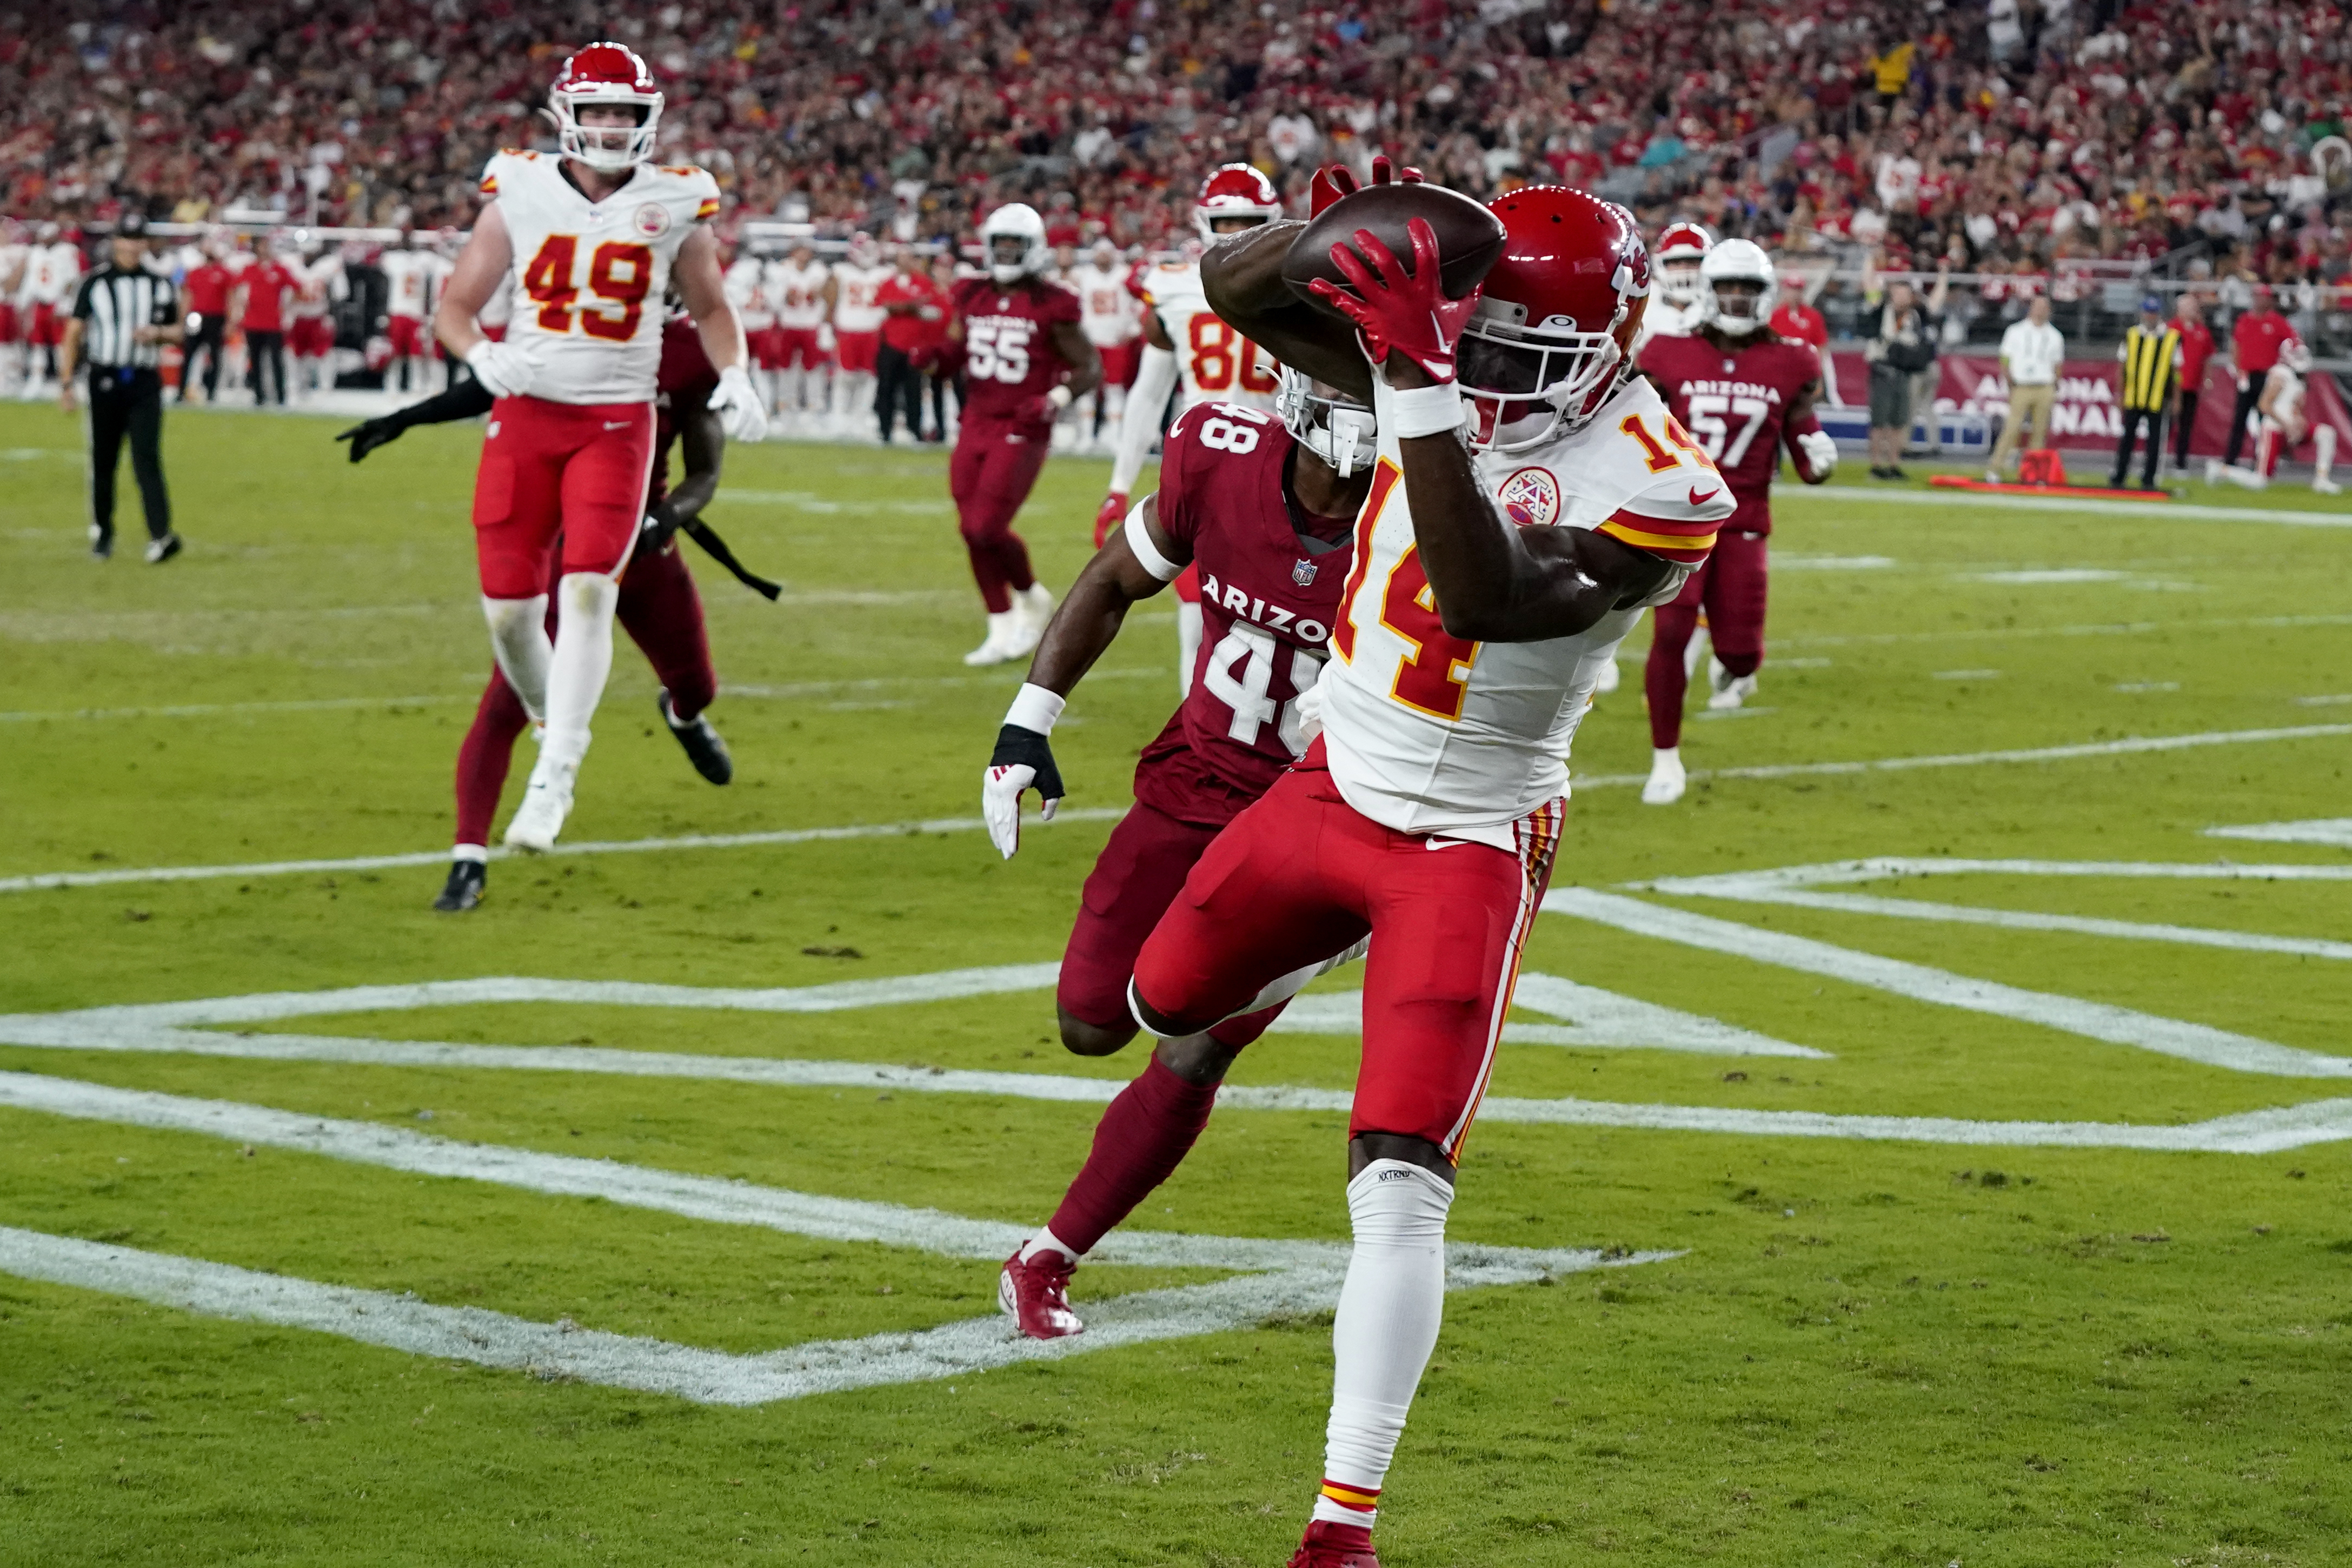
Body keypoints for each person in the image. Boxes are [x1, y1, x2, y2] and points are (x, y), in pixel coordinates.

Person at [1112, 178, 1730, 1568]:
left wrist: (1421, 376)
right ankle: (1321, 943)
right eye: (1479, 336)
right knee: (1155, 1008)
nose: (1494, 374)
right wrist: (1362, 228)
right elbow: (1230, 287)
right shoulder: (1433, 356)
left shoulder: (1663, 478)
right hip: (1327, 785)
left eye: (1525, 355)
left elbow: (1487, 598)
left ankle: (1343, 1518)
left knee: (1399, 1180)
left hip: (1471, 835)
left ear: (1611, 343)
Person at [987, 369, 1376, 1333]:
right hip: (1194, 782)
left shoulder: (1428, 508)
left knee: (1197, 1044)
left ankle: (1047, 1256)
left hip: (1327, 817)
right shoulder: (1220, 451)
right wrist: (1026, 724)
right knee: (1089, 1021)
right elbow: (1118, 578)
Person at [430, 40, 766, 854]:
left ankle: (556, 773)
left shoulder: (676, 202)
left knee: (587, 593)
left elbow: (712, 307)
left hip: (617, 422)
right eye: (598, 111)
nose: (612, 126)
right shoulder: (518, 187)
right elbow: (456, 303)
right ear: (566, 115)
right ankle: (553, 723)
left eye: (626, 112)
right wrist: (478, 353)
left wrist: (738, 375)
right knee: (509, 612)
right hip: (526, 417)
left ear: (648, 118)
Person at [338, 308, 756, 909]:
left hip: (643, 553)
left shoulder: (690, 352)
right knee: (505, 700)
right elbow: (492, 382)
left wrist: (661, 519)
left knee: (698, 686)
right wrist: (407, 417)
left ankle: (683, 716)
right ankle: (467, 858)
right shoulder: (565, 322)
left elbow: (705, 468)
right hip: (564, 554)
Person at [1636, 238, 1836, 806]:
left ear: (1765, 295)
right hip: (1678, 513)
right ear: (1708, 289)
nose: (1738, 299)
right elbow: (1635, 423)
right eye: (1728, 287)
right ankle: (1665, 758)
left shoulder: (1791, 359)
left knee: (1741, 653)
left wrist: (1815, 454)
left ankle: (1734, 669)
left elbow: (1801, 429)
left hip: (1746, 516)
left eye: (1748, 290)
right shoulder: (1668, 352)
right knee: (1672, 631)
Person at [1098, 165, 1286, 694]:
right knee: (1195, 614)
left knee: (1279, 622)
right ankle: (1195, 739)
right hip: (1204, 470)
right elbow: (1148, 393)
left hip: (1281, 472)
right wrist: (1118, 486)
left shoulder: (1297, 287)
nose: (1239, 234)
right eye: (1228, 224)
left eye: (1250, 222)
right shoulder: (1174, 288)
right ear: (1206, 224)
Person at [945, 202, 1101, 666]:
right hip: (974, 421)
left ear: (1034, 249)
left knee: (984, 527)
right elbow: (954, 352)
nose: (1008, 252)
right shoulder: (970, 293)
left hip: (1022, 426)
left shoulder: (1054, 301)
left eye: (1016, 244)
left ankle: (1022, 604)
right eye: (1001, 244)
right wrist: (932, 358)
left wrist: (1054, 400)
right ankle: (1008, 616)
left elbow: (1089, 366)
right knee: (972, 531)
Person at [61, 212, 184, 563]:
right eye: (126, 240)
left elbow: (178, 331)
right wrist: (67, 382)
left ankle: (160, 535)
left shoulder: (160, 284)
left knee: (147, 457)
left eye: (138, 240)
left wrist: (157, 335)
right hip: (105, 378)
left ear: (146, 244)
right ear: (116, 242)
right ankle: (103, 532)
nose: (132, 247)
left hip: (144, 379)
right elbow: (73, 332)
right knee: (104, 459)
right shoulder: (95, 283)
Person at [2207, 338, 2340, 494]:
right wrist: (2287, 425)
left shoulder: (2299, 376)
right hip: (2274, 429)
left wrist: (2299, 420)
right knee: (2260, 482)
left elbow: (2295, 405)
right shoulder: (2280, 374)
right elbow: (2264, 405)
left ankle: (2321, 480)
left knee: (2326, 434)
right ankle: (2220, 470)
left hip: (2291, 427)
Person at [1861, 260, 1945, 478]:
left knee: (1900, 421)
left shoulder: (1916, 315)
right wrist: (1870, 260)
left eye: (1905, 294)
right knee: (1880, 422)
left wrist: (1944, 274)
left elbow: (1936, 301)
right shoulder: (1880, 310)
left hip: (1904, 372)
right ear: (1891, 295)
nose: (1902, 298)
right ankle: (1876, 465)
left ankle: (1894, 464)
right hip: (1882, 371)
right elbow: (1869, 286)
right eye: (1898, 294)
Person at [1068, 237, 1140, 451]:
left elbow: (1138, 303)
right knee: (1087, 389)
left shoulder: (1124, 275)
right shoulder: (1083, 276)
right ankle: (1086, 435)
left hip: (1115, 342)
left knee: (1115, 389)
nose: (1103, 256)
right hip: (1089, 341)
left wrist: (1133, 329)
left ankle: (1115, 435)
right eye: (1099, 252)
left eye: (1107, 252)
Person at [1986, 293, 2063, 481]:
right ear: (2031, 308)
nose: (2040, 310)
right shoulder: (2016, 331)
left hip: (2044, 385)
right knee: (2011, 428)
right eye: (2037, 306)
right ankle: (1995, 468)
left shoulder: (2054, 336)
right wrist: (2010, 384)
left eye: (2044, 307)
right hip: (2021, 385)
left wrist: (2054, 386)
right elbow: (2005, 359)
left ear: (2049, 311)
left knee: (2039, 432)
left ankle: (2033, 473)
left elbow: (2058, 364)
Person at [874, 244, 945, 442]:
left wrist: (903, 308)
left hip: (915, 345)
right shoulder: (887, 283)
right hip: (891, 342)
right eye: (902, 257)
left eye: (908, 257)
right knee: (886, 388)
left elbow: (934, 311)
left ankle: (915, 430)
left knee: (914, 390)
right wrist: (911, 306)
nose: (905, 261)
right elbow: (883, 307)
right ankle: (884, 430)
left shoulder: (923, 283)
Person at [2111, 296, 2181, 490]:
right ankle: (2120, 475)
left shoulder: (2171, 337)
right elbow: (2121, 366)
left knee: (2155, 442)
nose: (2150, 316)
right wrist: (2119, 393)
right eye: (2148, 312)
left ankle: (2149, 478)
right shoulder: (2132, 335)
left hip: (2158, 397)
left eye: (2154, 313)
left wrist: (2176, 398)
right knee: (2127, 439)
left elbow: (2176, 372)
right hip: (2134, 395)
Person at [2223, 285, 2295, 470]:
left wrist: (2282, 369)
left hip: (2267, 377)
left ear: (2269, 300)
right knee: (2239, 420)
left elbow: (2291, 343)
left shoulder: (2277, 322)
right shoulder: (2244, 320)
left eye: (2261, 297)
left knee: (2265, 421)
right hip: (2247, 376)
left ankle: (2262, 461)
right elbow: (2236, 345)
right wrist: (2238, 369)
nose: (2257, 300)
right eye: (2255, 296)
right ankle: (2230, 461)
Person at [828, 232, 892, 435]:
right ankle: (839, 416)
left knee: (869, 377)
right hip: (848, 329)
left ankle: (860, 417)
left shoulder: (884, 273)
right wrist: (827, 324)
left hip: (873, 330)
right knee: (844, 376)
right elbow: (829, 299)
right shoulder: (841, 272)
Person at [769, 241, 832, 424]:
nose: (803, 254)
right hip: (789, 323)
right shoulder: (782, 270)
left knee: (813, 368)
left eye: (806, 251)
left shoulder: (820, 271)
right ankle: (785, 405)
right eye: (800, 250)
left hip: (812, 324)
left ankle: (815, 406)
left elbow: (826, 295)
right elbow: (776, 299)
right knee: (786, 367)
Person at [235, 234, 298, 407]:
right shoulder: (249, 269)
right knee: (255, 360)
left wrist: (287, 311)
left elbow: (296, 288)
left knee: (277, 360)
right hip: (253, 322)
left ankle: (280, 395)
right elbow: (238, 290)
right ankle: (259, 395)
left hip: (273, 323)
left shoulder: (280, 270)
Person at [1633, 219, 1713, 350]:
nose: (1684, 269)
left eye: (1692, 262)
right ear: (1661, 265)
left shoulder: (1716, 310)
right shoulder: (1643, 309)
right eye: (1676, 263)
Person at [379, 231, 440, 394]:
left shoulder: (423, 259)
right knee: (396, 352)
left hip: (416, 313)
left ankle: (416, 385)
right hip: (398, 312)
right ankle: (392, 384)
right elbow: (382, 260)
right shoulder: (396, 258)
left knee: (417, 353)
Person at [178, 235, 234, 403]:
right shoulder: (195, 272)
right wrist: (182, 319)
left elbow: (230, 298)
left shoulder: (224, 273)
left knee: (215, 356)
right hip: (196, 316)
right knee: (189, 353)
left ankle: (211, 392)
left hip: (216, 316)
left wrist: (230, 321)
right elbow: (188, 296)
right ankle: (182, 391)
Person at [1766, 274, 1837, 403]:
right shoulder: (1775, 316)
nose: (1794, 294)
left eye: (1798, 289)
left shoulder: (1813, 316)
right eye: (1791, 289)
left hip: (1804, 369)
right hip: (1781, 369)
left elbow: (1820, 348)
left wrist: (1819, 378)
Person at [2170, 292, 2215, 474]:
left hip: (2192, 386)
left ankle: (2181, 462)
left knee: (2186, 426)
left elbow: (2208, 356)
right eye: (2190, 308)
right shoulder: (2172, 329)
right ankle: (2155, 459)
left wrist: (2208, 379)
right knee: (2167, 423)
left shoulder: (2202, 331)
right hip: (2174, 385)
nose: (2194, 311)